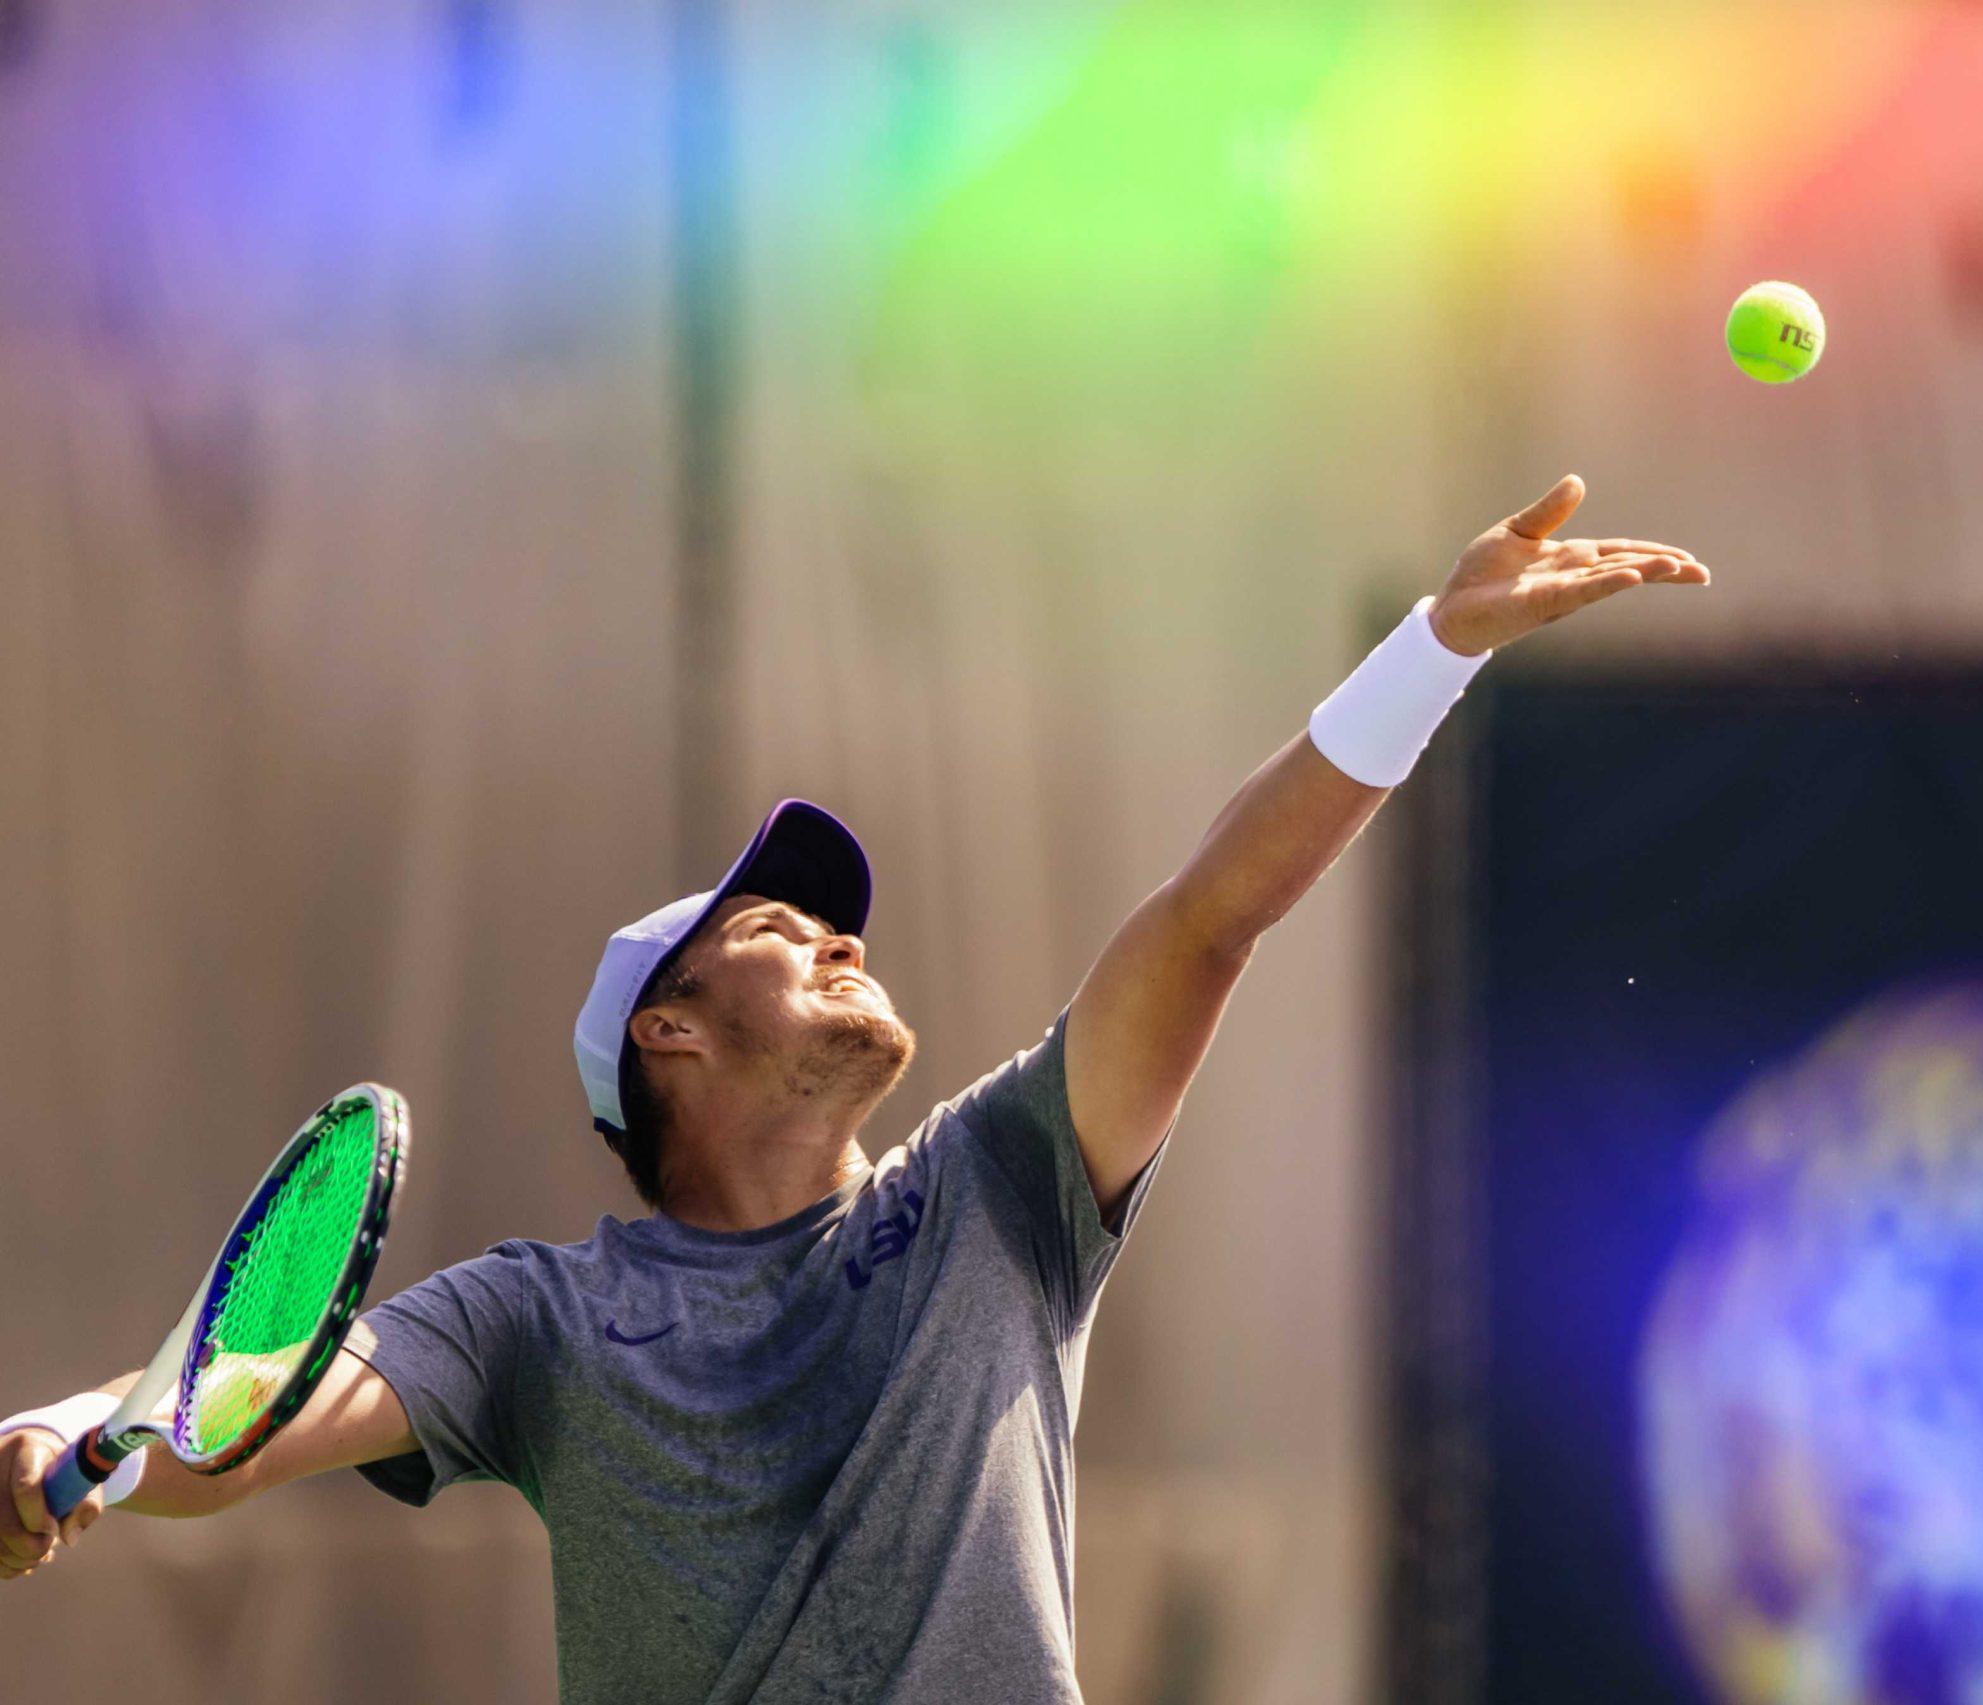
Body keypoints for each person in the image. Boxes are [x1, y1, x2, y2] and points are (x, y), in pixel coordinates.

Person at [1, 476, 1705, 1702]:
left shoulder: (1001, 1187)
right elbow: (269, 1400)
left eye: (833, 917)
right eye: (771, 920)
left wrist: (1431, 651)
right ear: (666, 1032)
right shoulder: (542, 1322)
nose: (832, 933)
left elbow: (1208, 922)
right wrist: (80, 1434)